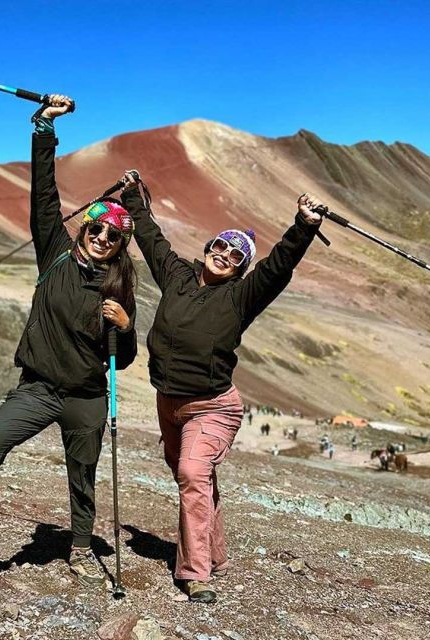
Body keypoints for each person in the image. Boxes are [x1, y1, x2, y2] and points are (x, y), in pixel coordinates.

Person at [0, 96, 138, 587]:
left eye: (114, 236)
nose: (102, 239)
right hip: (39, 388)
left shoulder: (119, 287)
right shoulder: (54, 255)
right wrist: (45, 127)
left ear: (119, 246)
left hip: (87, 396)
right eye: (97, 229)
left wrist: (127, 328)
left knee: (83, 473)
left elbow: (122, 360)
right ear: (84, 227)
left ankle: (82, 548)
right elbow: (44, 196)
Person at [120, 172, 324, 603]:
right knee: (196, 478)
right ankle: (216, 554)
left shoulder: (241, 296)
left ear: (240, 267)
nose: (225, 256)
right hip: (168, 400)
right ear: (208, 248)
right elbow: (152, 239)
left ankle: (195, 574)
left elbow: (278, 266)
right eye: (221, 247)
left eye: (236, 255)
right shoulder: (176, 275)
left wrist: (303, 226)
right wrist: (133, 197)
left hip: (214, 406)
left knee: (192, 473)